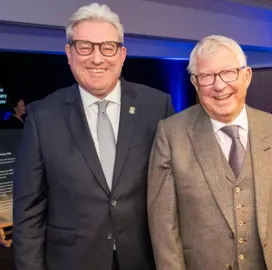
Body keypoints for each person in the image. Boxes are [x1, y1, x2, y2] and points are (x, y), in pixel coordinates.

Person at [13, 3, 175, 270]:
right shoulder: (42, 116)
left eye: (107, 47)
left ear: (122, 54)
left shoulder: (157, 106)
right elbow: (28, 214)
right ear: (69, 53)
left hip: (143, 259)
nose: (97, 58)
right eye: (85, 46)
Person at [147, 35, 272, 270]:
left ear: (246, 76)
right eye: (206, 76)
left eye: (228, 72)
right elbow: (163, 228)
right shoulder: (171, 135)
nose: (219, 85)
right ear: (195, 83)